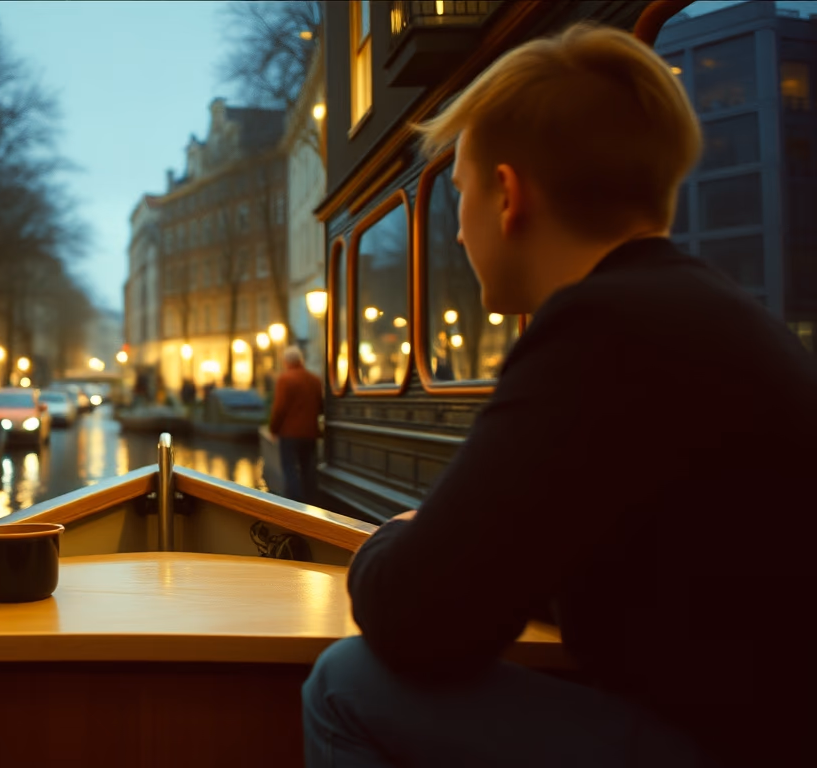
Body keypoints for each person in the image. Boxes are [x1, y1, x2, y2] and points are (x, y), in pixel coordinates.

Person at [302, 22, 816, 768]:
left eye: (462, 194)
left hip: (731, 745)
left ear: (507, 196)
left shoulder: (597, 329)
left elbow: (417, 619)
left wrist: (391, 539)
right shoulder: (709, 314)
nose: (457, 236)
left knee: (344, 685)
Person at [268, 346, 322, 504]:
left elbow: (279, 408)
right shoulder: (315, 379)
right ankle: (311, 502)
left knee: (290, 469)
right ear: (301, 360)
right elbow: (320, 405)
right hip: (310, 432)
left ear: (286, 362)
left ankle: (294, 504)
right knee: (308, 469)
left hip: (290, 433)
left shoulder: (285, 380)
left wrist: (273, 429)